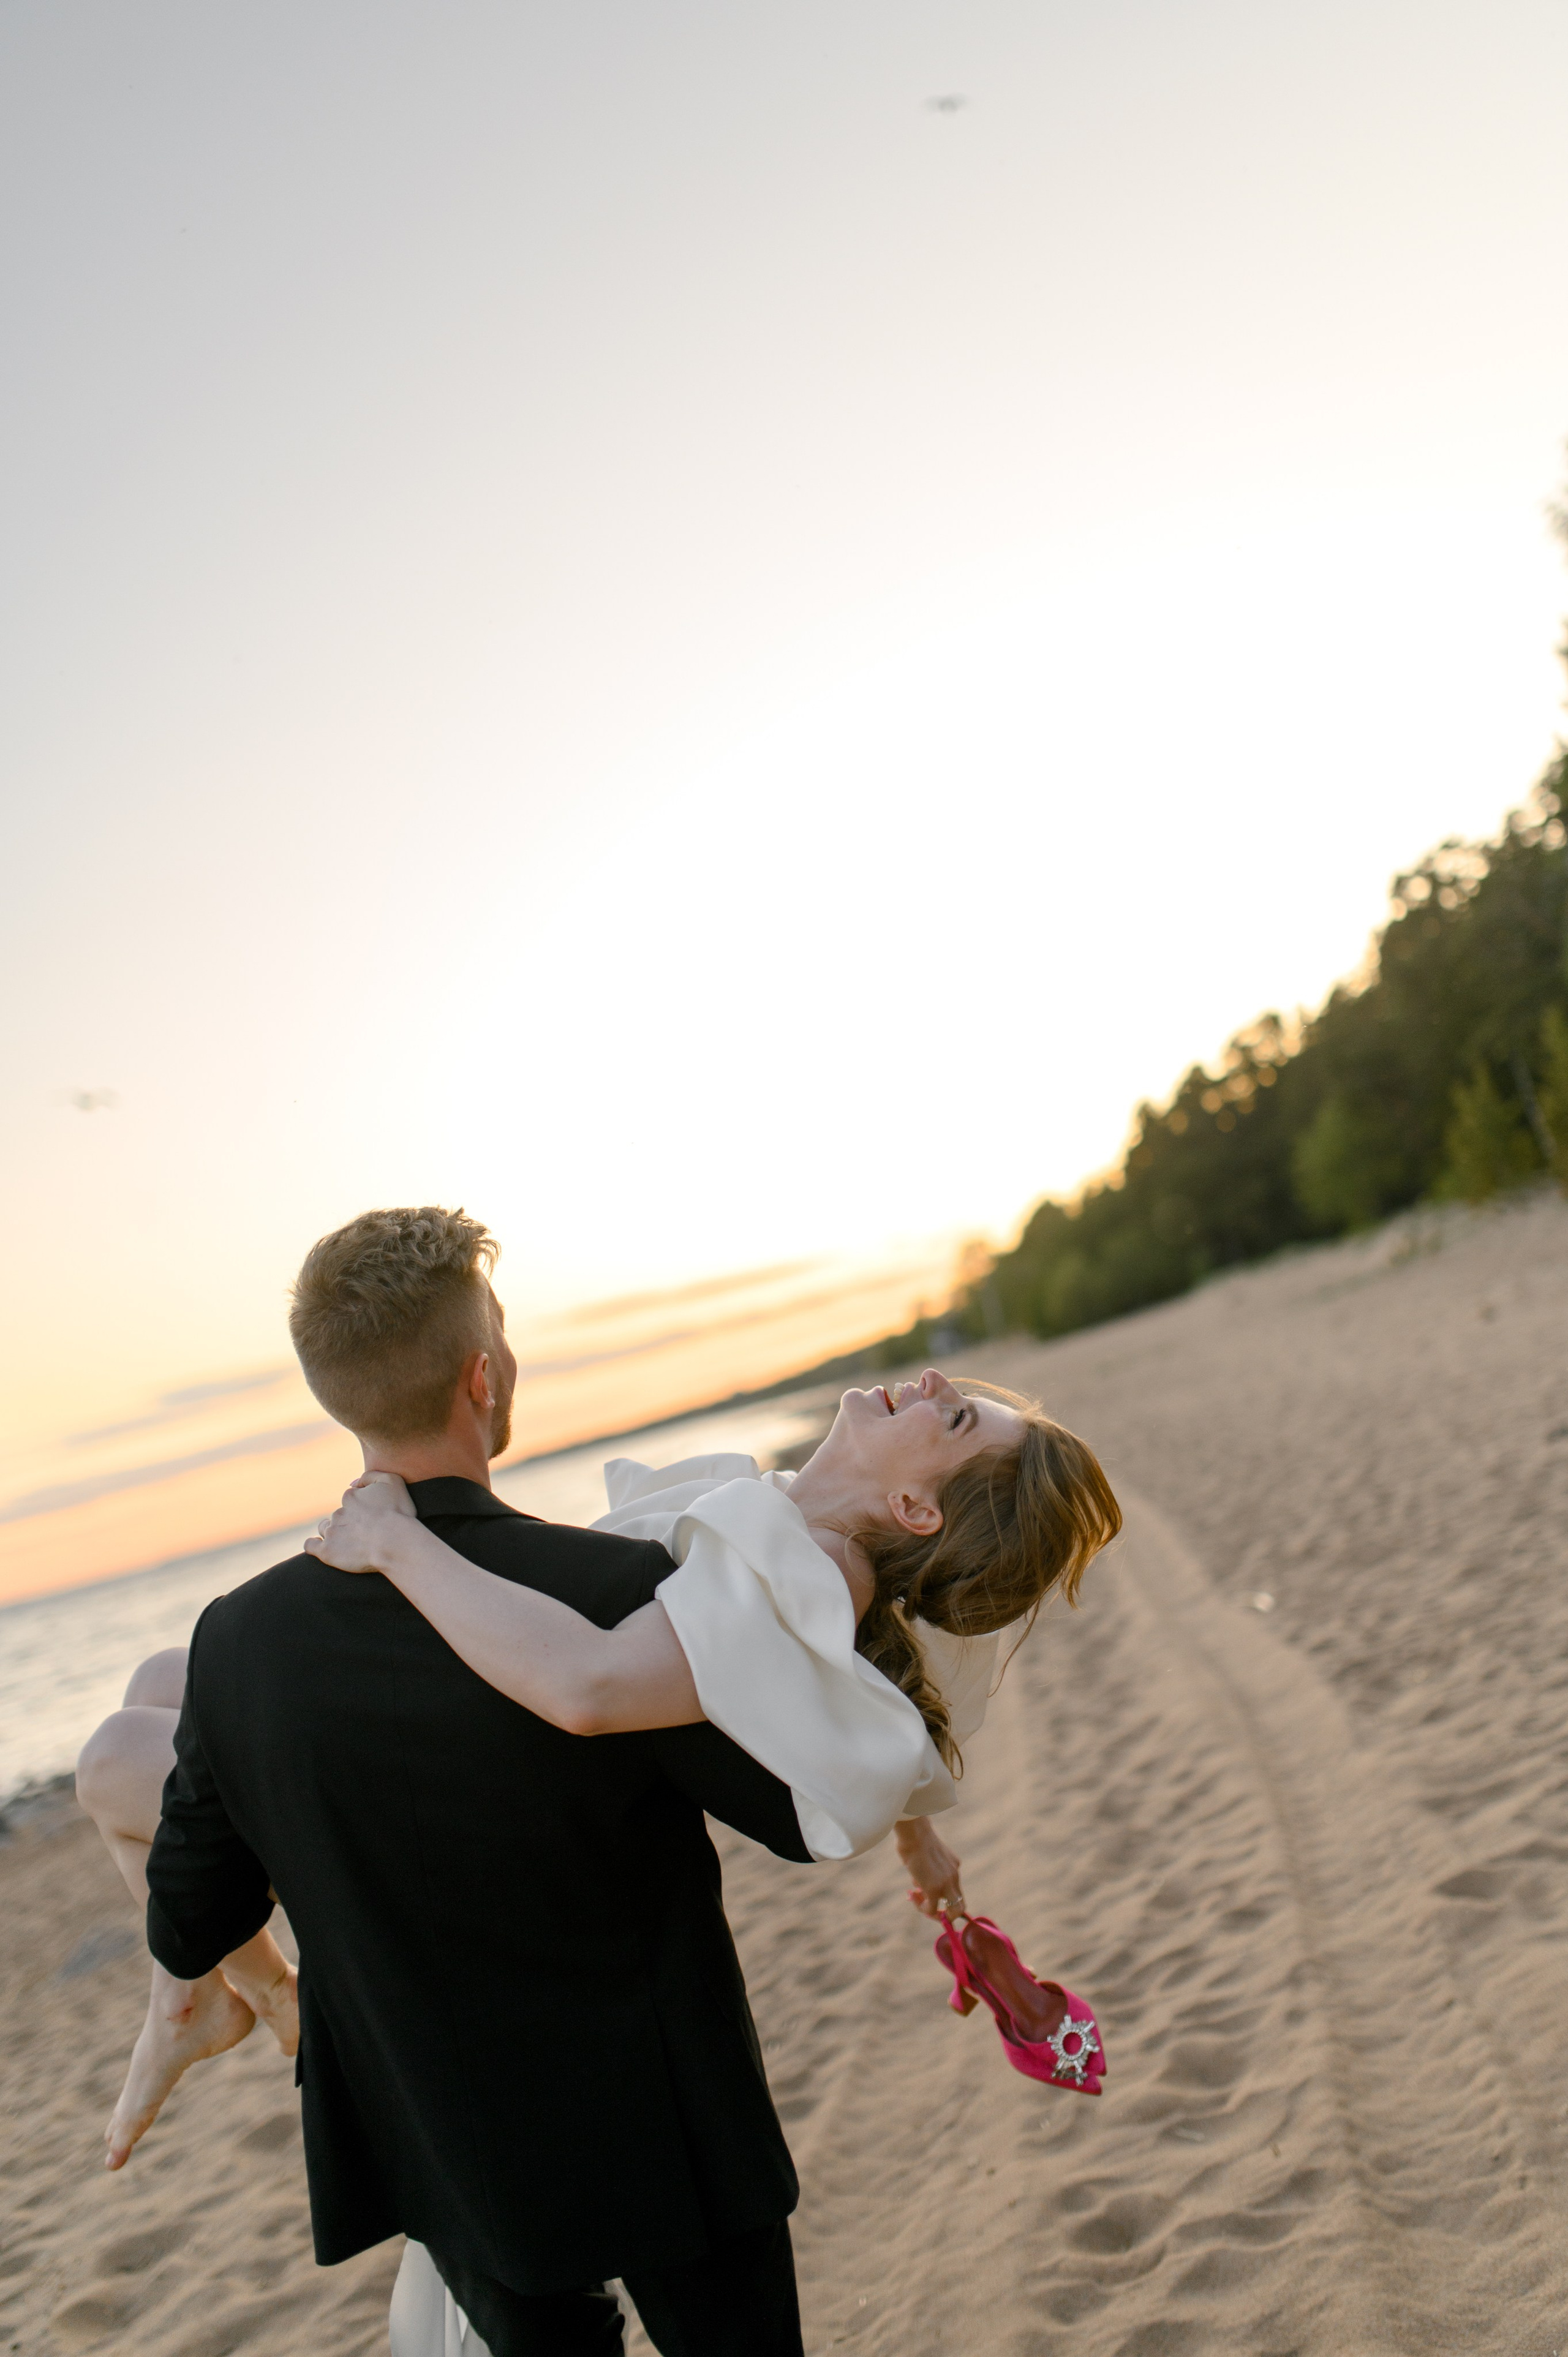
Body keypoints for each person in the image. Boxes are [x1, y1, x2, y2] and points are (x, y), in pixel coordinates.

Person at [81, 1207, 830, 2357]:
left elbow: (191, 1908)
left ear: (341, 1397)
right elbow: (793, 1809)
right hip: (668, 2133)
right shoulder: (613, 1588)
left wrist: (250, 1976)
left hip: (448, 2148)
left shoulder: (240, 1645)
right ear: (483, 1378)